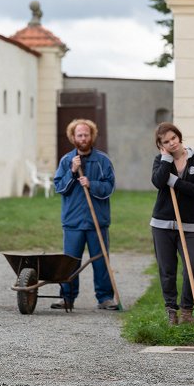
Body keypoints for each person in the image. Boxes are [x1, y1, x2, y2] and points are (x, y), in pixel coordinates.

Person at [52, 118, 118, 310]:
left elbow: (109, 187)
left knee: (100, 261)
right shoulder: (66, 161)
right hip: (73, 222)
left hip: (97, 220)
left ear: (92, 136)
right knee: (70, 262)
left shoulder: (103, 161)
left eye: (86, 134)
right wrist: (72, 172)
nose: (83, 138)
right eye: (79, 135)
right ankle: (67, 297)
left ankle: (105, 298)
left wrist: (92, 184)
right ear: (73, 137)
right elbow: (59, 187)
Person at [150, 122, 194, 326]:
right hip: (162, 224)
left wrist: (176, 183)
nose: (172, 143)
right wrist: (166, 159)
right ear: (161, 145)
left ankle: (187, 310)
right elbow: (157, 182)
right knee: (167, 269)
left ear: (179, 136)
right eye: (166, 141)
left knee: (193, 266)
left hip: (188, 224)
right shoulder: (160, 160)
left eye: (173, 138)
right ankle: (171, 310)